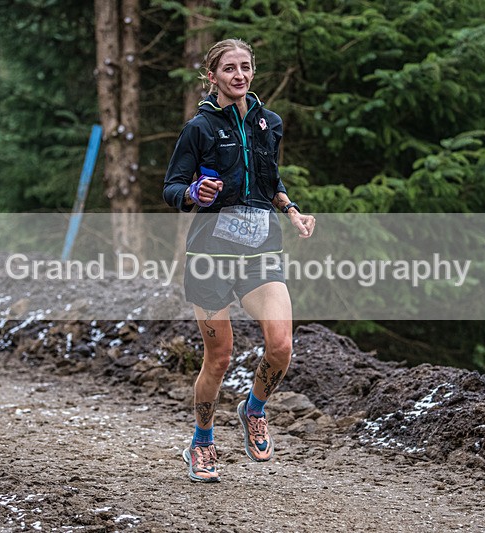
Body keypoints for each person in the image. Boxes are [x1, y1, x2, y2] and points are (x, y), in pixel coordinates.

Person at [163, 38, 316, 483]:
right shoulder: (200, 129)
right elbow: (172, 187)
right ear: (212, 76)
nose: (239, 75)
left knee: (281, 346)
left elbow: (270, 177)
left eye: (245, 67)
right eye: (229, 68)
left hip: (261, 253)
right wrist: (193, 193)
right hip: (210, 257)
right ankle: (202, 441)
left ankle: (254, 408)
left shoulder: (270, 122)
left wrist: (291, 211)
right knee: (220, 358)